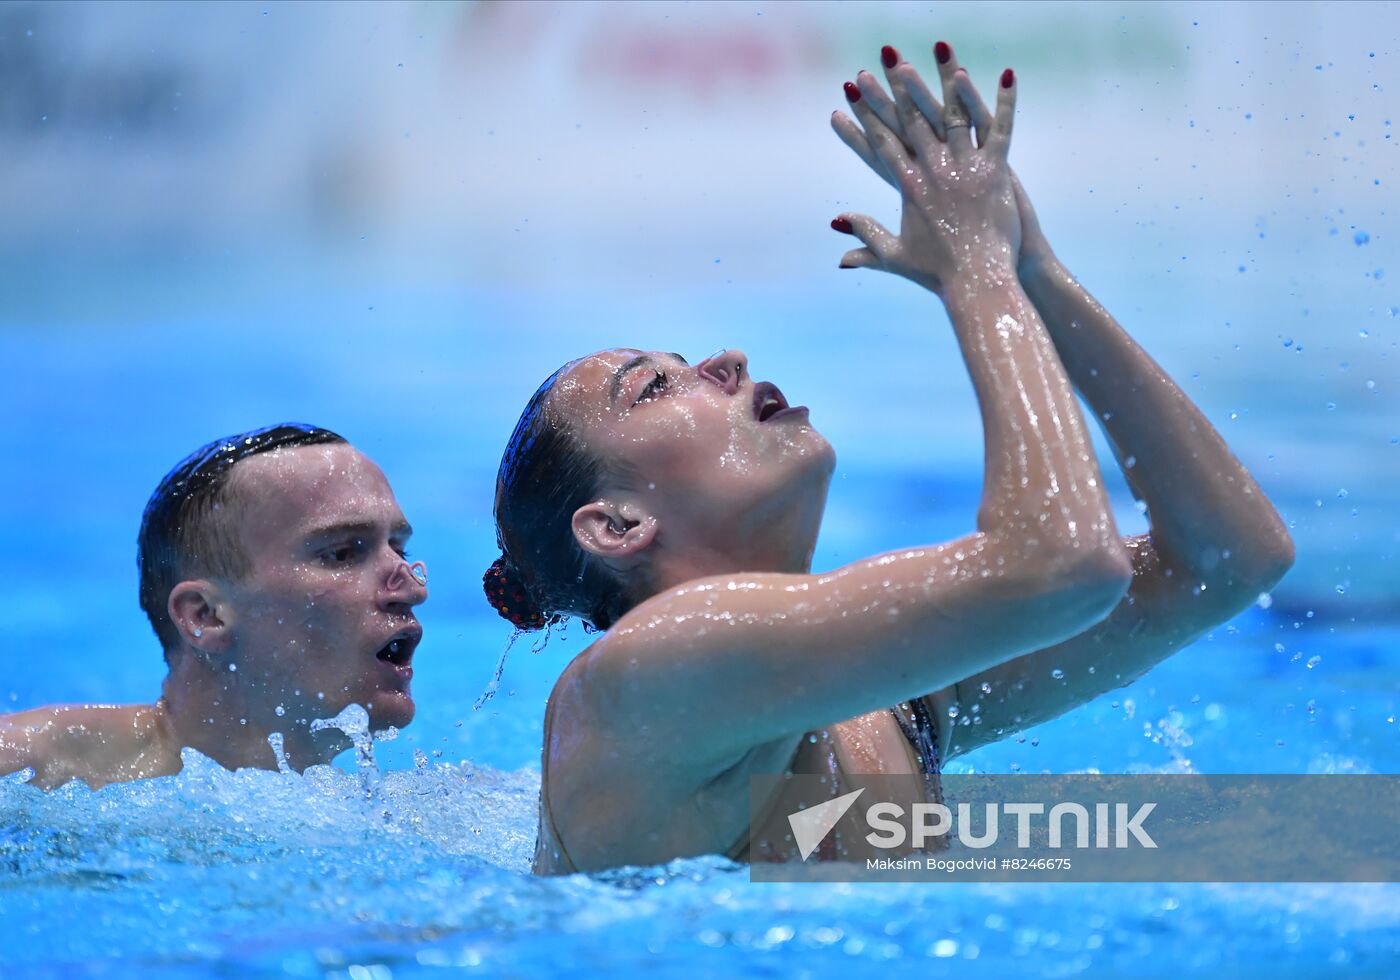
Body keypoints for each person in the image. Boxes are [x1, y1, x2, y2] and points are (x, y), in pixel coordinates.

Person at [482, 44, 1295, 874]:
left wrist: (1034, 271)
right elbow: (1066, 563)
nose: (725, 360)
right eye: (656, 386)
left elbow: (1228, 562)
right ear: (617, 525)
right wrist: (977, 271)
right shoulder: (642, 681)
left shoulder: (887, 704)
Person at [0, 424, 428, 790]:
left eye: (398, 548)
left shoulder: (403, 816)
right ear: (205, 616)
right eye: (341, 554)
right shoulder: (31, 766)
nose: (412, 587)